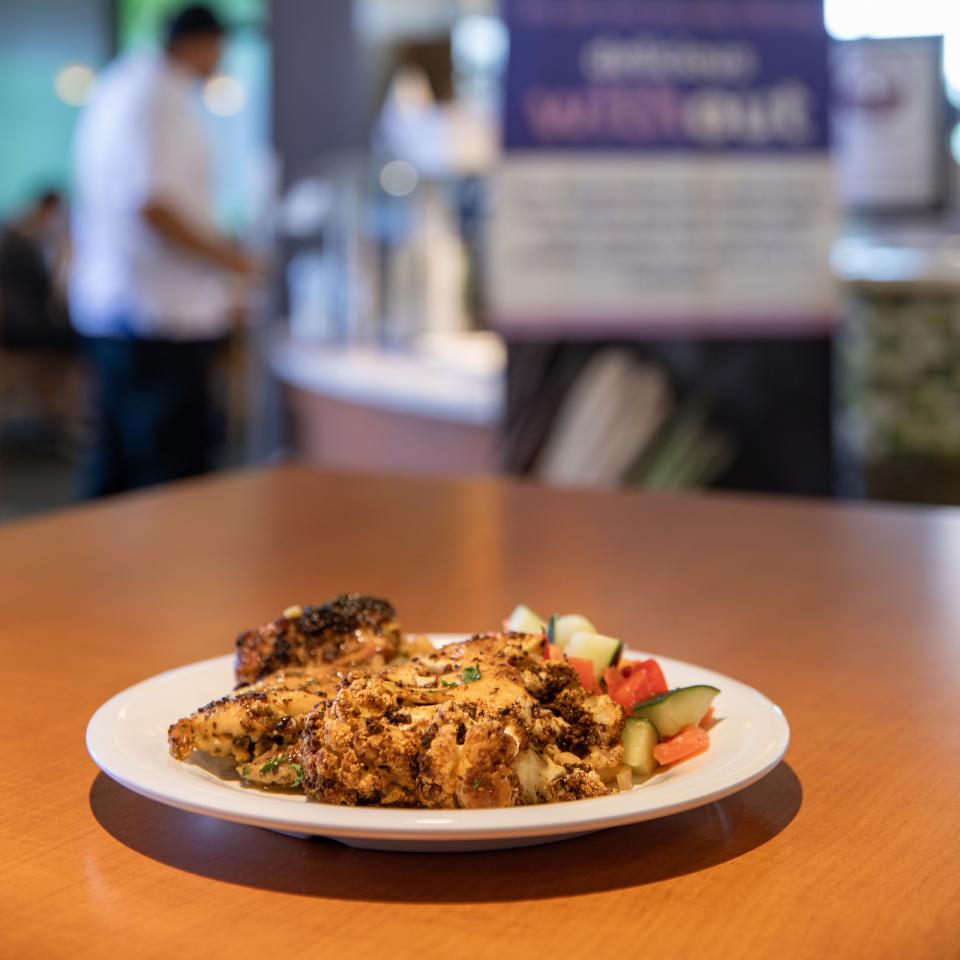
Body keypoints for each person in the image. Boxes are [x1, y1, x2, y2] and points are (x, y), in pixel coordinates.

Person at [70, 4, 255, 497]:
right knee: (167, 473)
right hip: (156, 314)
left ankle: (99, 573)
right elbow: (152, 205)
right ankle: (158, 576)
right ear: (200, 43)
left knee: (120, 464)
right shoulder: (159, 94)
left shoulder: (122, 83)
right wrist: (233, 261)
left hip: (121, 306)